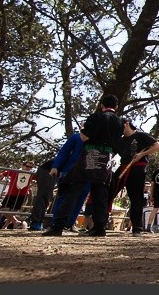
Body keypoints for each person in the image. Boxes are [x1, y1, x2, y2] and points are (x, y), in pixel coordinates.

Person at [43, 94, 124, 237]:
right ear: (116, 107)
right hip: (107, 159)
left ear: (102, 105)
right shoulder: (120, 122)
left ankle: (58, 226)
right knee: (100, 193)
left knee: (74, 189)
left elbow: (84, 137)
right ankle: (99, 227)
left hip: (90, 156)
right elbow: (119, 143)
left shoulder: (95, 117)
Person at [109, 118, 159, 236]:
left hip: (138, 168)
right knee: (109, 190)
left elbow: (158, 146)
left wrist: (142, 154)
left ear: (127, 124)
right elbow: (112, 154)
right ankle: (99, 224)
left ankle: (137, 227)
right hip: (123, 167)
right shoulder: (120, 141)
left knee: (136, 197)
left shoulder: (141, 136)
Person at [48, 132, 92, 231]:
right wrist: (55, 166)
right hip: (69, 171)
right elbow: (64, 151)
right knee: (63, 197)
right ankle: (56, 222)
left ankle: (70, 223)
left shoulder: (97, 139)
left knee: (80, 199)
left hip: (87, 173)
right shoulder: (76, 137)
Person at [0, 161, 35, 229]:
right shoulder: (14, 171)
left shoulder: (31, 174)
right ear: (23, 165)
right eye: (27, 166)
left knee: (13, 212)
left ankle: (5, 226)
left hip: (22, 195)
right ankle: (15, 222)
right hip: (11, 194)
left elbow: (38, 180)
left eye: (30, 167)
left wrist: (33, 184)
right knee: (3, 209)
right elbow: (3, 174)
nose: (28, 168)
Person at [28, 159, 56, 230]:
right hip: (47, 171)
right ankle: (35, 222)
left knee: (46, 198)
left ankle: (39, 221)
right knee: (42, 196)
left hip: (54, 172)